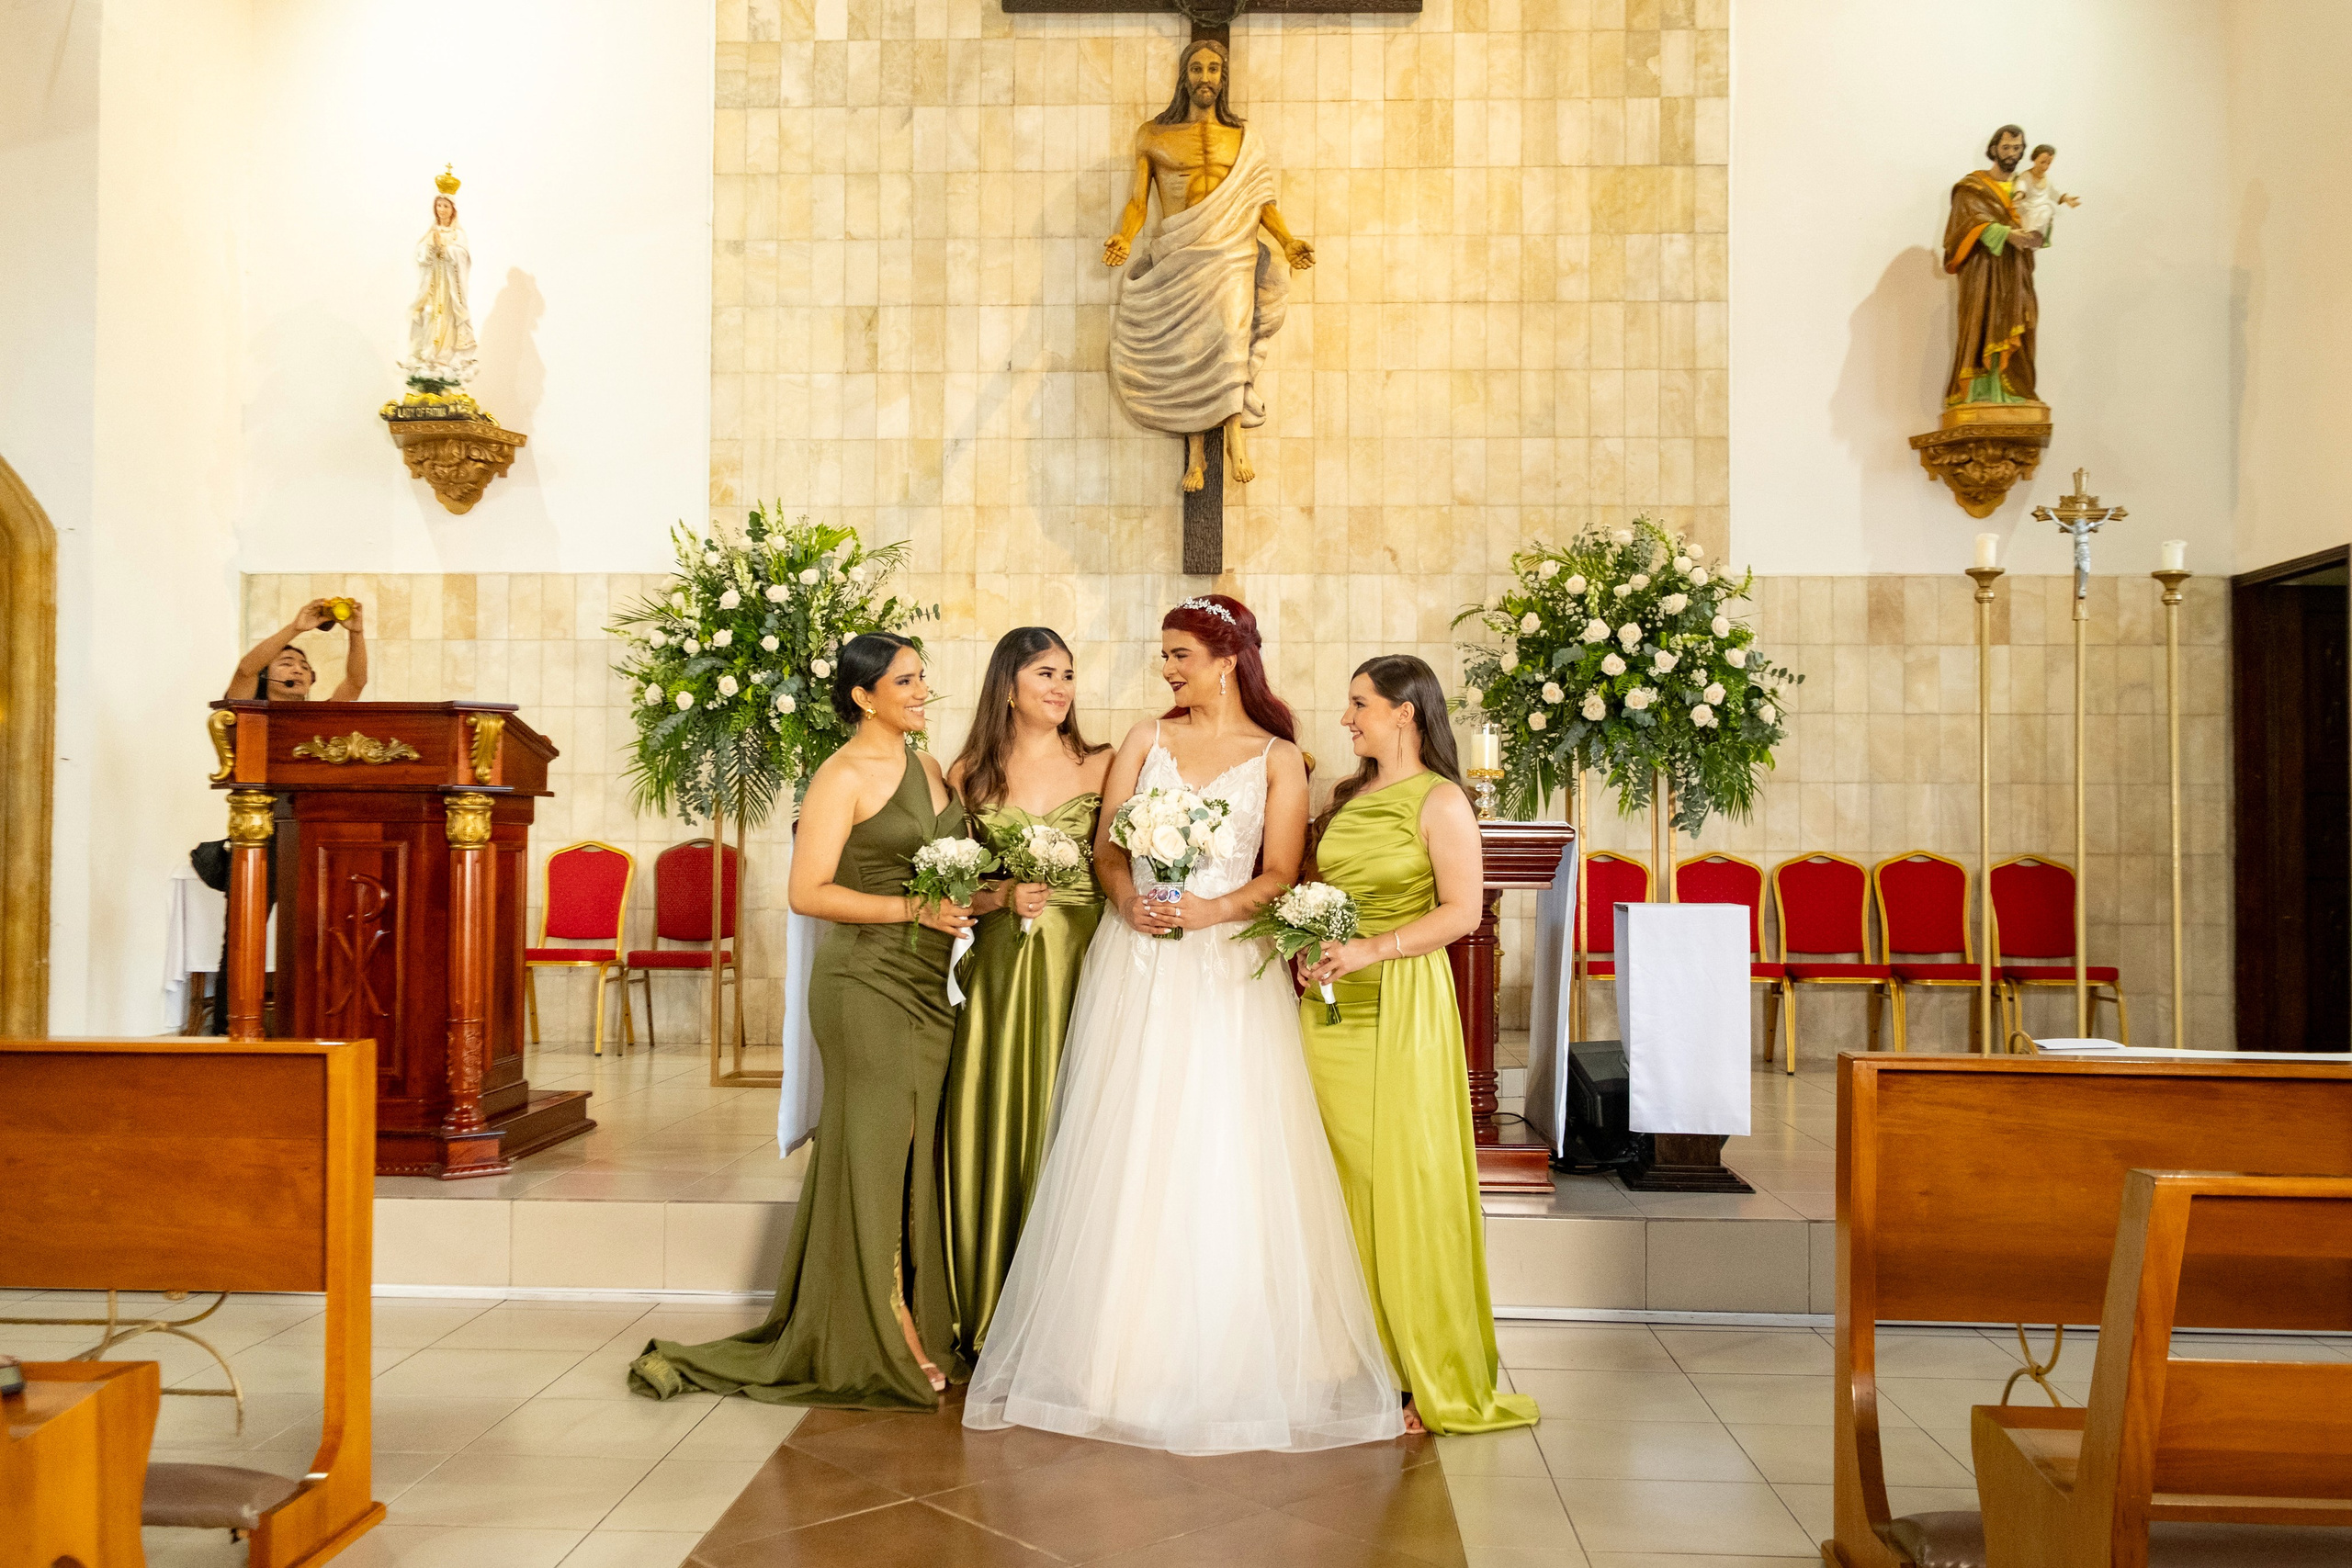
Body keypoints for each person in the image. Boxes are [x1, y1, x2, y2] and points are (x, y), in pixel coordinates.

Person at [964, 594, 1402, 1455]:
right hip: (1137, 967)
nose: (1167, 670)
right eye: (1163, 656)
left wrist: (1211, 910)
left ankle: (1236, 1356)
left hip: (1222, 968)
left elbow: (1280, 871)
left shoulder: (1279, 759)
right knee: (1128, 1140)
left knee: (1223, 1141)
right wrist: (1129, 900)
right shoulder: (1141, 741)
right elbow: (1106, 850)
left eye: (1180, 655)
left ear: (1228, 657)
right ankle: (1110, 1357)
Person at [628, 634, 976, 1410]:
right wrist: (910, 909)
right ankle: (883, 1334)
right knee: (873, 1150)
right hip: (865, 981)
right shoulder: (839, 775)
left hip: (928, 981)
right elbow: (806, 891)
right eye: (907, 679)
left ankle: (916, 1312)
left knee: (914, 1150)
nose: (923, 690)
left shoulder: (925, 765)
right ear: (864, 696)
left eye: (923, 676)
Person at [1297, 656, 1541, 1437]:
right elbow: (1326, 896)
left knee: (1399, 1181)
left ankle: (1415, 1372)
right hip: (1330, 1010)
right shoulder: (1346, 798)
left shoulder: (1441, 801)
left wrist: (1375, 948)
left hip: (1401, 1003)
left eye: (1359, 704)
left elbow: (1462, 912)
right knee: (1335, 1181)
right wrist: (1311, 947)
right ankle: (1351, 1360)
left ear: (1405, 712)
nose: (1347, 718)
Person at [940, 627, 1114, 1364]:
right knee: (1001, 1112)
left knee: (1076, 1118)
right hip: (1005, 974)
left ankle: (1071, 1313)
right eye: (1046, 673)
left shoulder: (1104, 765)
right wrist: (1001, 892)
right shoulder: (969, 774)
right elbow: (948, 887)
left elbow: (1123, 866)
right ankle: (989, 1302)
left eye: (1069, 675)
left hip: (1087, 967)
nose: (1061, 687)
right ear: (1007, 682)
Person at [1103, 39, 1313, 494]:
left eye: (1214, 69)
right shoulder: (1153, 135)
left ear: (1224, 78)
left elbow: (1261, 202)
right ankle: (1197, 451)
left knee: (1229, 332)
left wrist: (1288, 240)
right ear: (1185, 76)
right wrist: (1124, 235)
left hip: (1231, 251)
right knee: (1189, 348)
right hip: (1181, 253)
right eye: (1196, 69)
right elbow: (1139, 202)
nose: (1205, 77)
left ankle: (1234, 434)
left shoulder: (1243, 138)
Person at [1942, 124, 2042, 407]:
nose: (2011, 153)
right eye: (2006, 147)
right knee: (1982, 322)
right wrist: (2006, 234)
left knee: (2023, 320)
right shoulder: (1972, 187)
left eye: (2017, 148)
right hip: (1983, 271)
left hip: (2017, 270)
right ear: (1994, 149)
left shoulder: (2027, 188)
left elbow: (2039, 218)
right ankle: (1978, 393)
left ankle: (2013, 391)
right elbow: (1966, 224)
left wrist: (2037, 233)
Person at [225, 599, 368, 702]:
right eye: (286, 664)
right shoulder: (247, 708)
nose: (298, 671)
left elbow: (355, 683)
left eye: (305, 667)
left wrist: (356, 633)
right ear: (263, 674)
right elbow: (246, 670)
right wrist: (296, 628)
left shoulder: (321, 715)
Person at [2010, 143, 2081, 241]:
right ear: (2034, 159)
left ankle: (2035, 234)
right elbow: (2021, 185)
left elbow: (2055, 193)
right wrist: (2019, 194)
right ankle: (2029, 234)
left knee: (2047, 209)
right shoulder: (2026, 175)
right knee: (2034, 214)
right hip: (2028, 207)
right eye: (2042, 162)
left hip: (2042, 207)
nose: (2045, 166)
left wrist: (2066, 199)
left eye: (2048, 163)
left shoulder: (2048, 179)